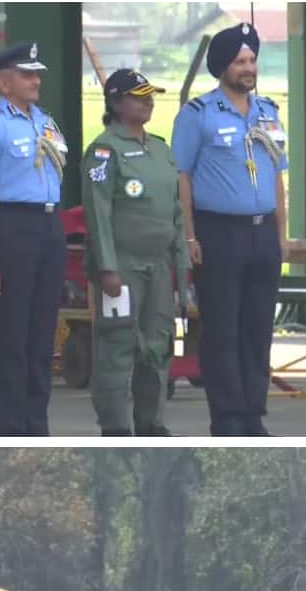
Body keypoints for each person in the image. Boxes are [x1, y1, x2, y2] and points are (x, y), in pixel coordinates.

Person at [171, 23, 288, 436]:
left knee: (257, 329)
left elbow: (276, 176)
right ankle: (227, 417)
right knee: (222, 329)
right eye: (240, 61)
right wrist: (189, 237)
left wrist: (282, 235)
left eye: (252, 60)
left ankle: (254, 415)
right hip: (218, 233)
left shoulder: (268, 113)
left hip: (262, 236)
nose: (248, 67)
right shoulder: (198, 115)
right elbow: (182, 178)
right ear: (222, 67)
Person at [0, 41, 68, 436]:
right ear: (4, 82)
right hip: (11, 227)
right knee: (12, 333)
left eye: (36, 73)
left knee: (42, 332)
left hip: (48, 226)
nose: (36, 80)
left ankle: (35, 420)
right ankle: (10, 423)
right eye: (27, 74)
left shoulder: (45, 121)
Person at [80, 69, 187, 437]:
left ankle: (151, 421)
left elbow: (175, 211)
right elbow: (98, 212)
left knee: (158, 345)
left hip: (158, 266)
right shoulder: (104, 150)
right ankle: (115, 426)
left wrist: (181, 266)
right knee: (118, 345)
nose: (148, 101)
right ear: (117, 102)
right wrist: (107, 268)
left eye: (150, 95)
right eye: (139, 96)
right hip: (122, 266)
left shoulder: (159, 148)